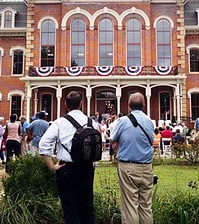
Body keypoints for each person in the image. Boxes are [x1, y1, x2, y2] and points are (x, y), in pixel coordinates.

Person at [39, 91, 99, 224]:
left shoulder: (60, 122)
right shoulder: (91, 122)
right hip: (86, 167)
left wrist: (52, 166)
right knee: (87, 208)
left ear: (65, 104)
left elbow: (43, 144)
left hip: (67, 168)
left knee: (70, 209)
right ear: (81, 104)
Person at [110, 92, 154, 224]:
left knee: (130, 206)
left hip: (128, 166)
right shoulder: (149, 121)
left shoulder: (123, 121)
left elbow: (112, 139)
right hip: (146, 167)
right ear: (144, 105)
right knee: (146, 206)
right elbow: (150, 141)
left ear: (129, 105)